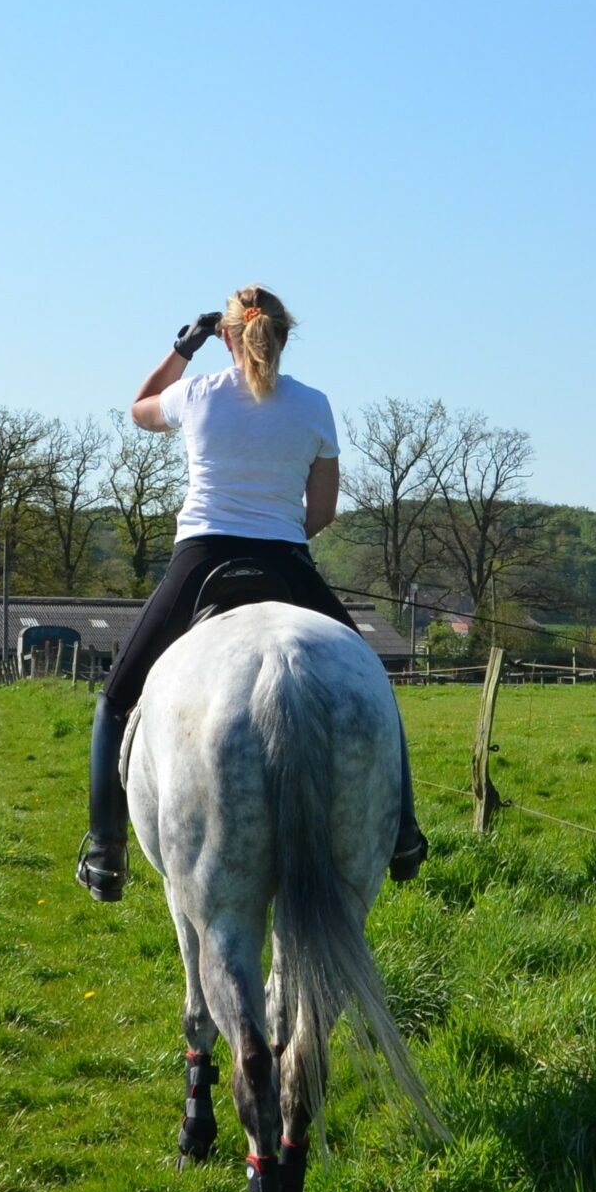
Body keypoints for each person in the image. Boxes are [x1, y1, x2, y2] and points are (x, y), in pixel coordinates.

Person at [76, 285, 428, 902]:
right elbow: (322, 511)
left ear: (229, 336)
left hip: (201, 559)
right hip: (286, 559)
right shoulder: (316, 406)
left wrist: (182, 348)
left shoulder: (197, 392)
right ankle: (402, 832)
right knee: (372, 679)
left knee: (115, 700)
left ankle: (106, 851)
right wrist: (281, 529)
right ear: (283, 337)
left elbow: (137, 407)